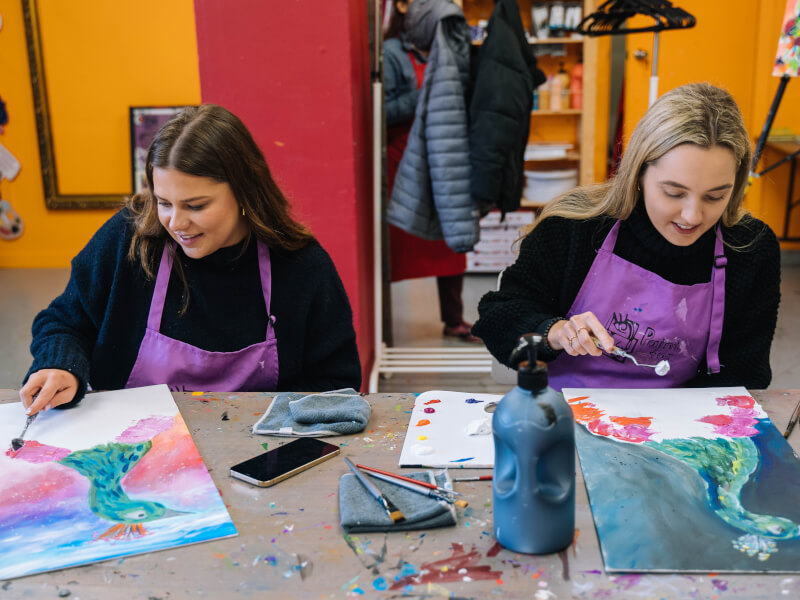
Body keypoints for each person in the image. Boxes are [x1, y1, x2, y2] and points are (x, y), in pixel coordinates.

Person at [20, 105, 361, 414]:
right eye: (164, 202)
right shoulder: (130, 239)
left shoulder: (301, 268)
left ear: (244, 191)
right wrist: (60, 365)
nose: (176, 224)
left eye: (196, 206)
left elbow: (335, 382)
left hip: (254, 456)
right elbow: (65, 321)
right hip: (131, 448)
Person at [473, 83, 780, 391]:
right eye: (674, 193)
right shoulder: (573, 228)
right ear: (639, 173)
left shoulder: (749, 248)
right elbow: (499, 316)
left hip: (685, 426)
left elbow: (746, 373)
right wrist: (553, 331)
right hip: (566, 415)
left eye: (715, 196)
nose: (692, 216)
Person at [383, 0, 478, 342]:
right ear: (404, 6)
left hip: (444, 156)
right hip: (404, 162)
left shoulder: (451, 48)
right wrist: (428, 95)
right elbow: (382, 109)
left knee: (449, 238)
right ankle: (381, 324)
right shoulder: (392, 52)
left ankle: (453, 319)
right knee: (396, 245)